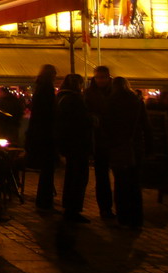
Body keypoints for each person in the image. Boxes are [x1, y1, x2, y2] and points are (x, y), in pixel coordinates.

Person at [103, 76, 146, 228]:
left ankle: (123, 217)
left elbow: (107, 126)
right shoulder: (136, 101)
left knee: (121, 183)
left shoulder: (111, 102)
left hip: (118, 146)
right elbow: (145, 125)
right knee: (134, 184)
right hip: (135, 147)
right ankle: (136, 218)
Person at [56, 73, 92, 223]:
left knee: (71, 176)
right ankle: (73, 209)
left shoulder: (60, 98)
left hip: (68, 143)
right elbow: (80, 121)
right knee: (78, 177)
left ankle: (69, 207)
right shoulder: (74, 99)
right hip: (78, 143)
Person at [24, 64, 58, 210]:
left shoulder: (39, 89)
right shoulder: (47, 90)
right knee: (48, 169)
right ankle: (45, 200)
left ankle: (44, 199)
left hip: (39, 133)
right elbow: (49, 113)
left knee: (46, 169)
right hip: (46, 134)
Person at [84, 64, 114, 219]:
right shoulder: (89, 94)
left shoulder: (115, 93)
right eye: (98, 77)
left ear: (108, 78)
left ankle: (114, 207)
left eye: (103, 77)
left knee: (115, 175)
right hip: (99, 140)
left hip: (114, 139)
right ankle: (105, 208)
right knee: (102, 176)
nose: (100, 80)